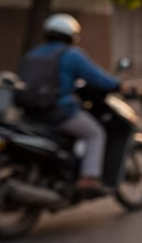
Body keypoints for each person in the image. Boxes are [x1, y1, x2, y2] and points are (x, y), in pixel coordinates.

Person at [16, 14, 124, 195]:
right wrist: (119, 85)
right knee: (95, 133)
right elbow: (96, 76)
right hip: (59, 111)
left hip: (30, 112)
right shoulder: (70, 54)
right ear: (72, 35)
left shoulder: (33, 54)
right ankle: (88, 179)